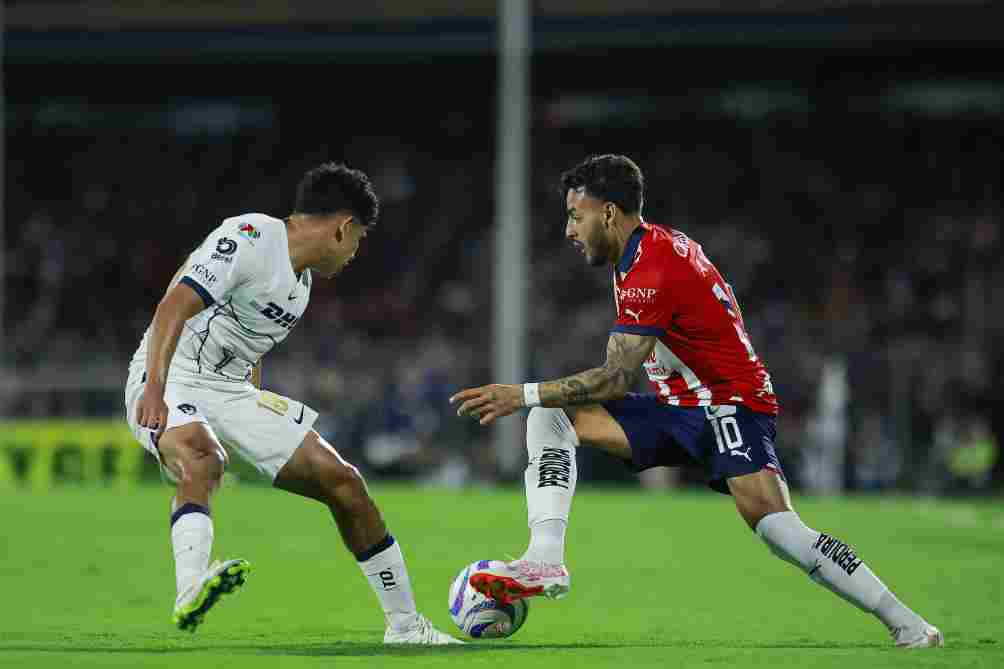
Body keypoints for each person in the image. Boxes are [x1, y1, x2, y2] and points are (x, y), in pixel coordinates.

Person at [451, 154, 943, 649]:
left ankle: (908, 624)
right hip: (680, 407)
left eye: (576, 216)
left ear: (609, 213)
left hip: (731, 405)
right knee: (553, 417)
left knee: (779, 530)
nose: (568, 230)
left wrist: (521, 392)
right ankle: (545, 557)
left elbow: (615, 380)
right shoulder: (645, 252)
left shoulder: (652, 266)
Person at [126, 162, 460, 644]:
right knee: (204, 458)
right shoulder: (250, 236)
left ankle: (406, 626)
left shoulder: (300, 285)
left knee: (345, 483)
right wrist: (154, 388)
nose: (354, 253)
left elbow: (249, 347)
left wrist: (259, 409)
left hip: (233, 392)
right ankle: (190, 589)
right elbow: (174, 304)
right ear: (343, 227)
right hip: (170, 372)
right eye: (359, 239)